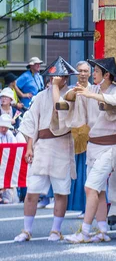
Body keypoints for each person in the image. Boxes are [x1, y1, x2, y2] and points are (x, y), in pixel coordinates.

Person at [60, 57, 116, 244]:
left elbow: (114, 101)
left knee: (90, 188)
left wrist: (89, 95)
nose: (92, 74)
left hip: (110, 148)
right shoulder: (91, 89)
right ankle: (103, 230)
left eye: (96, 71)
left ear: (106, 75)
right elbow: (69, 97)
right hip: (93, 146)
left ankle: (85, 231)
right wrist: (73, 93)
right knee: (98, 191)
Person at [13, 57, 78, 243]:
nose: (55, 78)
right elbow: (30, 122)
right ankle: (26, 230)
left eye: (59, 75)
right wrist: (29, 147)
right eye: (53, 75)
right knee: (32, 191)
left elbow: (63, 112)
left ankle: (55, 230)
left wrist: (58, 88)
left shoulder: (71, 94)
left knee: (60, 191)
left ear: (65, 78)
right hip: (42, 145)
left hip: (62, 143)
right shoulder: (40, 96)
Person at [67, 61, 92, 215]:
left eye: (85, 71)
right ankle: (82, 207)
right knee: (77, 172)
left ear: (90, 73)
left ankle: (89, 207)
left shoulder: (93, 90)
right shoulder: (71, 91)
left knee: (88, 173)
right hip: (75, 135)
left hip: (91, 135)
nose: (83, 74)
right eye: (80, 71)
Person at [0, 114, 17, 204]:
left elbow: (15, 146)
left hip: (7, 161)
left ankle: (7, 197)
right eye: (2, 127)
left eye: (6, 127)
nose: (4, 129)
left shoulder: (9, 134)